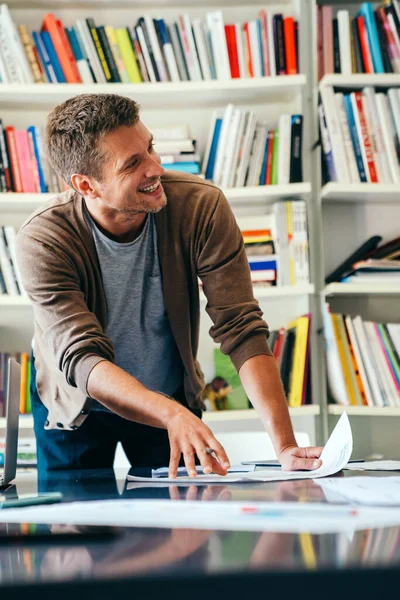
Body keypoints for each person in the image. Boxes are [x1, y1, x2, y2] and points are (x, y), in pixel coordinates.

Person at [16, 93, 323, 477]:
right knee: (72, 531)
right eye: (133, 164)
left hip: (168, 397)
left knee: (182, 528)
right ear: (86, 185)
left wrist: (286, 447)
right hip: (77, 405)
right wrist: (171, 413)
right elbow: (82, 357)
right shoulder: (44, 238)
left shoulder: (201, 206)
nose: (155, 167)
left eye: (150, 148)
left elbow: (240, 326)